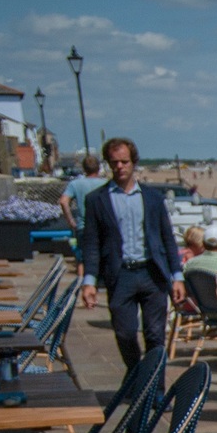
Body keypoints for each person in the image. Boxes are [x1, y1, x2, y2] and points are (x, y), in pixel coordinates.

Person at [80, 137, 187, 370]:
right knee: (125, 333)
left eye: (124, 162)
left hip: (152, 272)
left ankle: (155, 392)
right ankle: (136, 376)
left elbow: (167, 238)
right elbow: (91, 243)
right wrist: (89, 281)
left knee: (155, 335)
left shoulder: (152, 198)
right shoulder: (97, 200)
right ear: (108, 164)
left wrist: (177, 276)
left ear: (133, 163)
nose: (120, 167)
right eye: (114, 162)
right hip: (121, 276)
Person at [58, 155, 107, 305]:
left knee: (82, 260)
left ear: (84, 168)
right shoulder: (106, 183)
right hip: (103, 227)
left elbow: (63, 201)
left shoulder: (76, 184)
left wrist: (70, 220)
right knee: (104, 259)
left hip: (83, 227)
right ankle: (100, 291)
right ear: (98, 168)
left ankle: (84, 293)